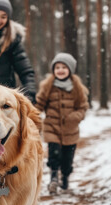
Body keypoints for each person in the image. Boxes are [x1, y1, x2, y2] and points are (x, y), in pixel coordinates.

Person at [35, 53, 89, 194]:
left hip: (70, 130)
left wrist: (74, 117)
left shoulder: (77, 87)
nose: (60, 70)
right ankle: (53, 178)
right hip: (51, 127)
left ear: (70, 69)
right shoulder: (48, 86)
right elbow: (39, 103)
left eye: (63, 67)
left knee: (67, 159)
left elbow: (83, 107)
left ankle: (65, 177)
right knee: (54, 154)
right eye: (57, 67)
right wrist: (33, 115)